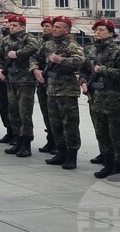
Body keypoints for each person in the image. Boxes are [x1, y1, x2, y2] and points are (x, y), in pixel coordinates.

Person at [32, 15, 85, 169]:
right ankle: (60, 151)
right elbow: (35, 57)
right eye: (53, 27)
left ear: (67, 30)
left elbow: (80, 61)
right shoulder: (48, 44)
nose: (54, 29)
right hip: (51, 89)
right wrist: (35, 69)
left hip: (67, 91)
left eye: (58, 27)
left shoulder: (72, 45)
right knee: (55, 123)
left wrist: (61, 60)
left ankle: (71, 155)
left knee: (70, 124)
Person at [80, 19, 120, 179]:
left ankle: (118, 166)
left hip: (113, 100)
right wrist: (83, 82)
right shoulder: (89, 50)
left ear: (110, 32)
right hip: (95, 98)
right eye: (96, 30)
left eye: (101, 30)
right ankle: (107, 163)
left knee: (115, 135)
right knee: (101, 133)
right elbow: (83, 70)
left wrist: (103, 70)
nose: (98, 32)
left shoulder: (118, 52)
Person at [0, 13, 40, 157]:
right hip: (11, 80)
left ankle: (26, 143)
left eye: (14, 25)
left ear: (22, 26)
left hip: (25, 81)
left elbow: (34, 47)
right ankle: (17, 140)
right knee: (13, 112)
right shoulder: (6, 39)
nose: (11, 27)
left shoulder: (29, 38)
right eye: (10, 25)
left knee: (24, 113)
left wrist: (18, 53)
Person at [35, 16, 55, 152]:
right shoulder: (40, 42)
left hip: (56, 84)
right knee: (45, 113)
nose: (45, 29)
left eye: (48, 26)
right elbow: (34, 58)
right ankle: (51, 140)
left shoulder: (61, 43)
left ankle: (58, 142)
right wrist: (35, 69)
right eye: (44, 26)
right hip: (41, 81)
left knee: (55, 115)